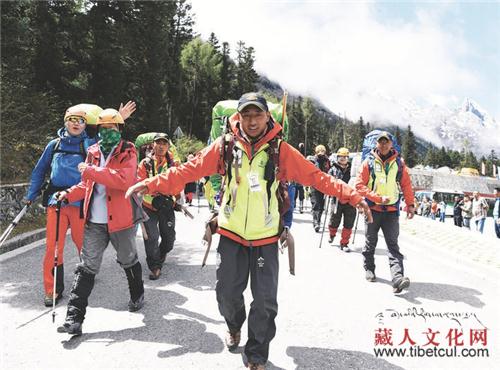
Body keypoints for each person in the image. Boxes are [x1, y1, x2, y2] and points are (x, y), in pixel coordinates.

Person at [126, 92, 372, 369]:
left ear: (268, 116)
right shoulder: (225, 146)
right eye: (246, 115)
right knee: (226, 295)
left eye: (257, 115)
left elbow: (317, 178)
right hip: (231, 235)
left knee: (265, 303)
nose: (252, 121)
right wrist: (151, 184)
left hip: (266, 237)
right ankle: (234, 325)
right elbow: (188, 170)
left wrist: (353, 196)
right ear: (238, 117)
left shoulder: (281, 151)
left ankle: (256, 354)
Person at [25, 102, 136, 307]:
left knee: (82, 245)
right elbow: (40, 171)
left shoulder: (90, 145)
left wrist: (119, 118)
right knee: (53, 248)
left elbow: (108, 144)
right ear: (65, 122)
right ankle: (53, 289)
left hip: (81, 203)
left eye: (81, 120)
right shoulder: (54, 145)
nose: (76, 124)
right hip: (56, 201)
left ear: (86, 125)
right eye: (72, 120)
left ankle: (87, 274)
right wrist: (30, 195)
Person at [55, 108, 146, 336]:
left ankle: (137, 294)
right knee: (86, 266)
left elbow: (123, 180)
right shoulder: (93, 151)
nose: (108, 132)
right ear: (98, 130)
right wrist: (68, 193)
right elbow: (87, 184)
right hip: (94, 221)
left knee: (128, 259)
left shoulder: (129, 150)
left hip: (121, 221)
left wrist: (92, 171)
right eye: (103, 129)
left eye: (112, 128)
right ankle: (74, 319)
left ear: (120, 128)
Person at [355, 130, 415, 294]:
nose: (383, 144)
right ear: (376, 144)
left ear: (391, 144)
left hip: (391, 211)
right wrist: (376, 198)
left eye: (386, 142)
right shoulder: (368, 163)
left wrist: (410, 204)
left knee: (393, 246)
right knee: (370, 242)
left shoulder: (399, 164)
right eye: (380, 142)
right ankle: (369, 268)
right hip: (372, 210)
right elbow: (359, 185)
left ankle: (397, 279)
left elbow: (406, 185)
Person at [137, 133, 178, 280]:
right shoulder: (145, 163)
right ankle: (154, 266)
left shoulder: (174, 164)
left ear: (168, 146)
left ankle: (161, 254)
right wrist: (155, 192)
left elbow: (179, 183)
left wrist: (173, 196)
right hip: (149, 206)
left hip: (167, 206)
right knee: (151, 237)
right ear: (153, 145)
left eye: (164, 143)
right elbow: (140, 183)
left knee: (169, 239)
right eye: (158, 143)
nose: (161, 146)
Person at [327, 147, 356, 252]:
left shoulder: (353, 170)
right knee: (334, 220)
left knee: (349, 223)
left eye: (345, 157)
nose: (343, 159)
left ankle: (344, 243)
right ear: (337, 158)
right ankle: (332, 234)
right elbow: (328, 182)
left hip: (350, 200)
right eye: (341, 157)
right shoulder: (333, 169)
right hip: (337, 199)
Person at [310, 144, 331, 232]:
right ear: (316, 151)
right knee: (316, 204)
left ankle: (318, 220)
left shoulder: (327, 160)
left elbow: (329, 170)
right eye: (319, 151)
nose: (321, 153)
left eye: (322, 151)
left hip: (324, 185)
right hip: (314, 185)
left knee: (322, 205)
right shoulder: (313, 160)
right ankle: (316, 222)